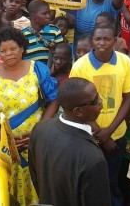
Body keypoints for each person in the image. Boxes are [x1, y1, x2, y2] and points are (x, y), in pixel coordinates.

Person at [0, 27, 59, 206]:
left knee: (38, 184)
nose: (9, 54)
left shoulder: (38, 69)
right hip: (2, 145)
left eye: (13, 48)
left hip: (36, 141)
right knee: (5, 189)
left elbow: (53, 101)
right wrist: (5, 139)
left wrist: (38, 133)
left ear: (22, 48)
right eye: (3, 51)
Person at [69, 23, 130, 206]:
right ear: (92, 40)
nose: (102, 43)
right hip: (88, 136)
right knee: (90, 182)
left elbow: (128, 98)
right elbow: (76, 104)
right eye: (98, 39)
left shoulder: (125, 62)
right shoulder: (80, 66)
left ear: (115, 41)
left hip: (117, 135)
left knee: (111, 181)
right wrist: (101, 135)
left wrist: (110, 132)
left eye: (107, 39)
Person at [29, 77, 111, 206]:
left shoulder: (40, 129)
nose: (101, 101)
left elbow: (36, 177)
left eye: (98, 96)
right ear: (78, 111)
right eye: (95, 101)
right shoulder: (93, 158)